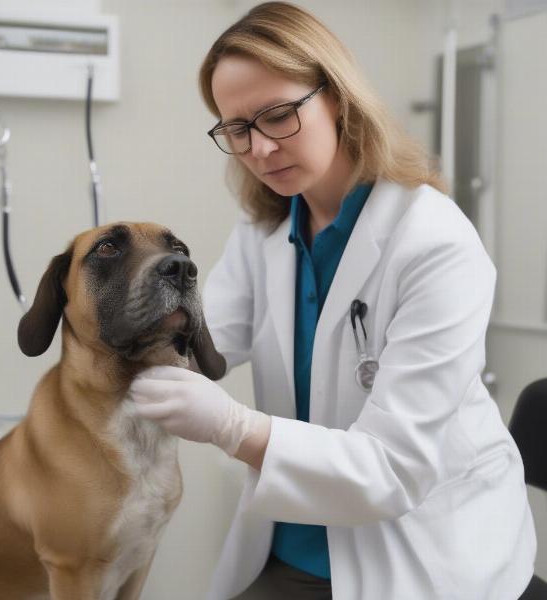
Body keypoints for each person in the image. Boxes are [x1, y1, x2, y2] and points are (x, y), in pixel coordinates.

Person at [129, 3, 537, 599]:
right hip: (295, 540)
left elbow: (393, 468)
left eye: (277, 116)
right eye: (237, 129)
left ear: (338, 98)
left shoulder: (434, 242)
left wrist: (231, 425)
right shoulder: (264, 232)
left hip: (421, 550)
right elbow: (202, 342)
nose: (261, 150)